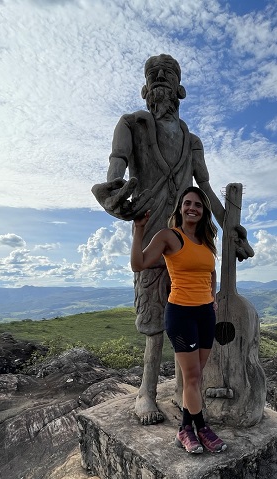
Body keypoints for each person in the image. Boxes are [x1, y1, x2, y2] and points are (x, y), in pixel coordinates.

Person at [92, 54, 253, 426]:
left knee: (195, 308)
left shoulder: (192, 140)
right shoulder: (132, 124)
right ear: (145, 87)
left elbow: (206, 190)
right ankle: (146, 392)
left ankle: (186, 392)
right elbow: (116, 168)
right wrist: (110, 193)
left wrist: (231, 227)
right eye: (154, 75)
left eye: (168, 75)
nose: (161, 79)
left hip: (191, 234)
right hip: (152, 227)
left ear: (180, 88)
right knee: (153, 313)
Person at [130, 186, 227, 453]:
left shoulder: (206, 241)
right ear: (180, 208)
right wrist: (139, 228)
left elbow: (211, 271)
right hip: (181, 314)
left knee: (196, 377)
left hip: (206, 314)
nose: (192, 208)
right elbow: (138, 264)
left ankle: (185, 429)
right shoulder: (169, 236)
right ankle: (202, 429)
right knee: (193, 376)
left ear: (203, 211)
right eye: (187, 203)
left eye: (197, 204)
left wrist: (212, 296)